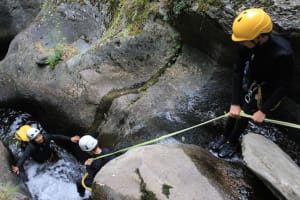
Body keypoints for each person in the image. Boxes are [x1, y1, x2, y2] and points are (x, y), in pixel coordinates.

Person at [210, 8, 294, 158]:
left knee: (246, 112)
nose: (241, 42)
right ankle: (225, 136)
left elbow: (284, 85)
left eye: (244, 40)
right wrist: (235, 102)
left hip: (268, 86)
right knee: (235, 111)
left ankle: (232, 141)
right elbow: (237, 70)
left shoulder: (283, 53)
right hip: (250, 78)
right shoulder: (246, 44)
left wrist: (263, 110)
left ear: (259, 36)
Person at [11, 127, 80, 175]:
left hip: (50, 153)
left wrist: (70, 138)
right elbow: (24, 156)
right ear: (32, 140)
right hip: (40, 158)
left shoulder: (46, 137)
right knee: (42, 160)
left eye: (39, 135)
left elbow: (57, 136)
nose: (40, 138)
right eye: (36, 138)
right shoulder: (31, 146)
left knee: (57, 158)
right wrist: (18, 166)